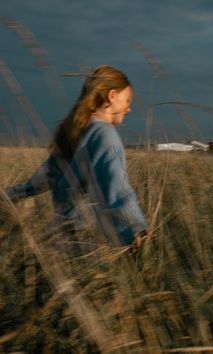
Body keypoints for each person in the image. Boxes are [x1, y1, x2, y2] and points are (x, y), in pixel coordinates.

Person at [4, 65, 147, 254]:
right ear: (112, 96)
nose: (129, 109)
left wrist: (8, 195)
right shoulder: (105, 135)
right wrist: (135, 227)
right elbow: (117, 187)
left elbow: (40, 180)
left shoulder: (75, 131)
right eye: (127, 100)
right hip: (86, 241)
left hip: (58, 237)